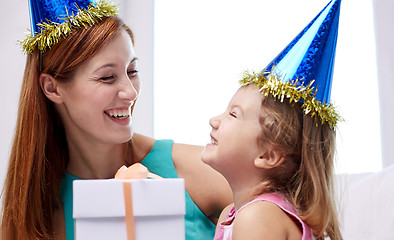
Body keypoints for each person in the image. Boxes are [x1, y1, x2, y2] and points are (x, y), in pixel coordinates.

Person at [0, 1, 231, 239]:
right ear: (52, 88)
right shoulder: (36, 213)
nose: (131, 92)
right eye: (108, 77)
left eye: (132, 71)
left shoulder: (197, 170)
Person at [201, 0, 343, 239]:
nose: (214, 120)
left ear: (268, 155)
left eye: (233, 114)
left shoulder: (258, 217)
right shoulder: (234, 213)